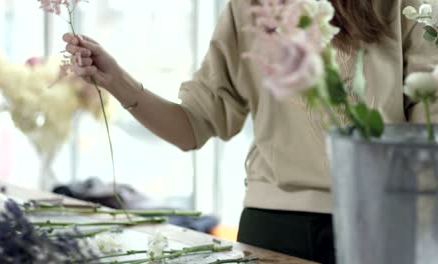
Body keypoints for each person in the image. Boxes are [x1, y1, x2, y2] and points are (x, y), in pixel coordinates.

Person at [62, 0, 438, 263]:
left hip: (380, 222)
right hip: (273, 227)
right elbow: (191, 127)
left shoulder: (407, 7)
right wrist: (116, 81)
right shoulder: (249, 7)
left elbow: (428, 138)